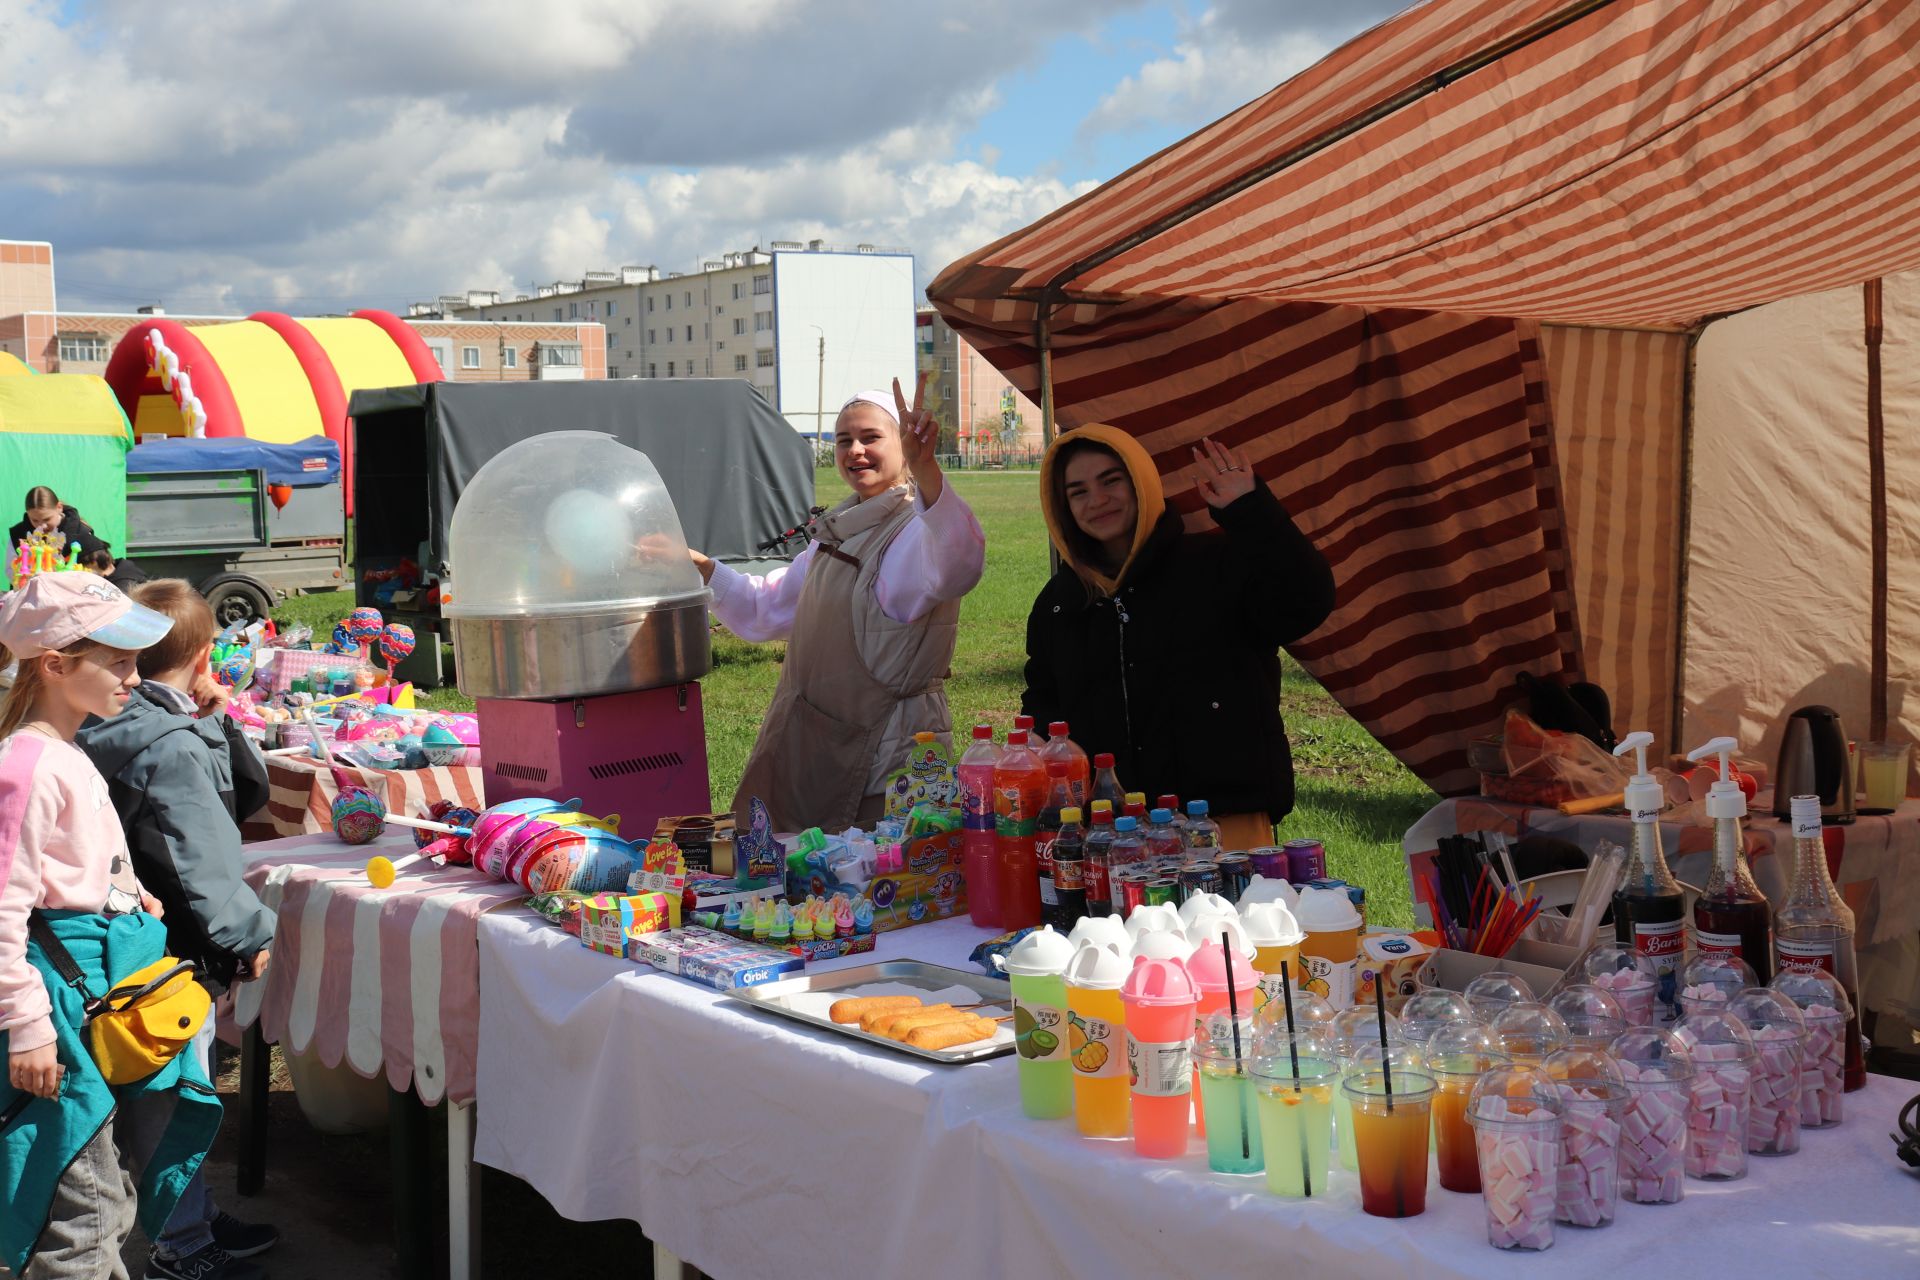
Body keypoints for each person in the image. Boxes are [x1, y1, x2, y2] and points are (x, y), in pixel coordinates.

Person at [0, 573, 222, 1280]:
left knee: (101, 1189)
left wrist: (126, 897)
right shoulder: (29, 764)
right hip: (57, 1016)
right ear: (55, 665)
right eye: (118, 662)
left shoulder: (66, 750)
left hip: (90, 1000)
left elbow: (67, 870)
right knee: (81, 1207)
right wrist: (29, 1026)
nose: (134, 678)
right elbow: (4, 905)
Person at [77, 579, 278, 1280]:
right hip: (167, 957)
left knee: (161, 1096)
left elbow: (234, 797)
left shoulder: (112, 717)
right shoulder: (167, 745)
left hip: (115, 945)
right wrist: (249, 936)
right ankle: (181, 1245)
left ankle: (187, 1214)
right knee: (175, 1096)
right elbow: (206, 858)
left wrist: (215, 723)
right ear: (202, 650)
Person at [691, 376, 985, 831]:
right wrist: (706, 570)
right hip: (822, 738)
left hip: (889, 748)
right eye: (843, 439)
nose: (855, 451)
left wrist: (928, 473)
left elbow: (959, 564)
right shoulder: (838, 534)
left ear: (905, 446)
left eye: (871, 438)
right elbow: (766, 608)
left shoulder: (911, 529)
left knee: (883, 881)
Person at [1022, 426, 1336, 849]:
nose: (1097, 500)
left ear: (1142, 484)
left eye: (1111, 480)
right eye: (1077, 492)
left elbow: (1306, 603)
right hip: (1112, 837)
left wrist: (1251, 509)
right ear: (1062, 508)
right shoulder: (1060, 602)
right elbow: (1044, 701)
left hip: (1223, 825)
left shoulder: (1215, 568)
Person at [10, 486, 109, 560]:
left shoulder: (82, 532)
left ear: (59, 508)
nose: (42, 526)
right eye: (35, 520)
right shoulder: (18, 534)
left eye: (47, 519)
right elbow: (11, 570)